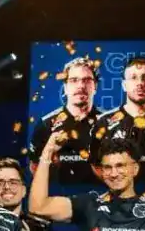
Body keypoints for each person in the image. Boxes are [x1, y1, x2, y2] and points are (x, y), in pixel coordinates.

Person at [93, 57, 145, 185]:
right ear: (124, 85)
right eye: (133, 78)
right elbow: (95, 165)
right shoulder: (104, 123)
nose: (140, 83)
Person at [29, 57, 104, 185]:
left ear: (95, 86)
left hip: (99, 195)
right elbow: (34, 166)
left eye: (87, 80)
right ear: (65, 87)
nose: (81, 86)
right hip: (57, 195)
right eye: (74, 80)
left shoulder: (106, 123)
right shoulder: (46, 125)